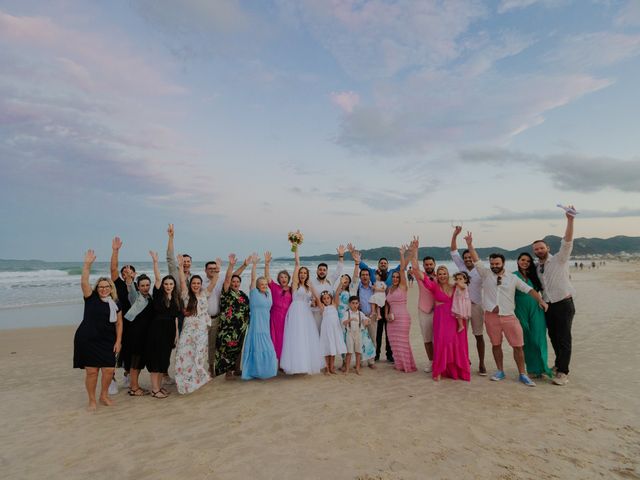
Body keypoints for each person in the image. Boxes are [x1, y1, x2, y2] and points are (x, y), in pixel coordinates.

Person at [464, 232, 547, 387]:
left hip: (509, 317)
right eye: (492, 263)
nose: (494, 266)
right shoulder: (485, 274)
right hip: (491, 317)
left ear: (503, 263)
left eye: (497, 263)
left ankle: (523, 374)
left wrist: (541, 300)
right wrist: (470, 245)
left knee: (518, 346)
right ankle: (500, 371)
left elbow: (529, 289)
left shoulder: (512, 278)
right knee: (496, 345)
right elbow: (475, 259)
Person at [73, 250, 123, 411]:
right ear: (97, 288)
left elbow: (119, 324)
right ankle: (92, 400)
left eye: (106, 286)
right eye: (100, 287)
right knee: (92, 372)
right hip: (88, 339)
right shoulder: (91, 298)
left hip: (108, 340)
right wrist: (87, 265)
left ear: (111, 287)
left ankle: (104, 395)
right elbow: (83, 282)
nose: (103, 289)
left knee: (109, 370)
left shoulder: (116, 303)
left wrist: (118, 341)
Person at [533, 207, 576, 386]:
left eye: (541, 247)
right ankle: (558, 365)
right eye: (536, 249)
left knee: (564, 338)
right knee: (553, 337)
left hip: (564, 303)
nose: (539, 250)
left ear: (547, 248)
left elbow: (567, 241)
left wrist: (570, 220)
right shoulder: (537, 266)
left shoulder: (559, 259)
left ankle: (563, 372)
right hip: (549, 305)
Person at [418, 260, 471, 382]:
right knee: (442, 342)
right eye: (440, 274)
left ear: (448, 274)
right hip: (441, 319)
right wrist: (414, 254)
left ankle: (457, 370)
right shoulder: (434, 287)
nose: (442, 276)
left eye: (444, 273)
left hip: (454, 318)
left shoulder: (455, 286)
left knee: (456, 343)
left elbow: (464, 291)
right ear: (437, 276)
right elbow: (422, 276)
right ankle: (440, 370)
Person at [280, 245, 323, 375]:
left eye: (305, 273)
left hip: (306, 312)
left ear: (307, 275)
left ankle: (305, 364)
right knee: (296, 336)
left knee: (306, 337)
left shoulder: (309, 286)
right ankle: (296, 365)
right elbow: (297, 263)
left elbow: (316, 296)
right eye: (301, 273)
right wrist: (296, 247)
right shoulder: (294, 284)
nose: (302, 274)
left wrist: (320, 305)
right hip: (296, 311)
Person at [175, 255, 215, 394]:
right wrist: (180, 267)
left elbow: (213, 283)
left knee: (198, 354)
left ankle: (196, 379)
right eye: (194, 283)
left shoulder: (205, 294)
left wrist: (217, 271)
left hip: (202, 329)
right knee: (184, 353)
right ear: (191, 284)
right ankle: (184, 380)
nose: (196, 285)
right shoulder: (186, 294)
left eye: (198, 283)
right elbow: (181, 280)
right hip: (188, 329)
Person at [451, 226, 487, 376]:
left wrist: (470, 245)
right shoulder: (461, 266)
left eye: (469, 258)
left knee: (478, 335)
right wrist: (455, 235)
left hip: (477, 306)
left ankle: (482, 363)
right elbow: (453, 251)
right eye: (465, 258)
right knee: (461, 336)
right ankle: (464, 360)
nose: (467, 260)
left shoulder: (480, 269)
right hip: (462, 308)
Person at [203, 257, 248, 377]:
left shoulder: (221, 282)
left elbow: (233, 277)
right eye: (210, 268)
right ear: (205, 270)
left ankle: (226, 369)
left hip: (218, 318)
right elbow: (230, 279)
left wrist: (244, 265)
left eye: (215, 268)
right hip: (205, 319)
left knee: (219, 344)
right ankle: (211, 367)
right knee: (212, 345)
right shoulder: (200, 282)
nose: (212, 270)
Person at [355, 247, 401, 363]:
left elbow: (402, 266)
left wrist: (409, 254)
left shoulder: (392, 273)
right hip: (376, 308)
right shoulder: (372, 272)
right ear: (378, 265)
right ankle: (376, 354)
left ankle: (390, 355)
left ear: (388, 265)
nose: (383, 264)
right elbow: (362, 266)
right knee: (377, 333)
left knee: (390, 332)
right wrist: (356, 258)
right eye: (381, 263)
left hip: (390, 307)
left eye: (385, 263)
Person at [146, 251, 181, 398]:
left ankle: (159, 387)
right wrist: (155, 262)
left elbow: (175, 318)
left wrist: (176, 335)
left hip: (169, 331)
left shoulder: (175, 299)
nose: (168, 286)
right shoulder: (159, 294)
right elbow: (158, 277)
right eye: (166, 284)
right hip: (157, 331)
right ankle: (154, 390)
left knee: (163, 360)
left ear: (174, 285)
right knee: (156, 360)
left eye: (171, 284)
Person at [514, 253, 553, 379]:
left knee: (539, 338)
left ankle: (542, 367)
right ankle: (531, 369)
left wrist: (545, 302)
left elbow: (544, 289)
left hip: (536, 309)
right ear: (518, 261)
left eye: (528, 261)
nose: (525, 262)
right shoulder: (513, 276)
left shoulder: (534, 276)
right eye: (522, 260)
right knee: (526, 339)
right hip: (520, 310)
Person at [241, 253, 278, 380]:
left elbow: (268, 281)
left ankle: (267, 371)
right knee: (256, 348)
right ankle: (255, 371)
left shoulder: (268, 294)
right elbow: (253, 278)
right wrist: (254, 265)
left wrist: (267, 264)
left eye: (265, 284)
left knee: (268, 348)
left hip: (266, 326)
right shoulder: (254, 292)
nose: (264, 285)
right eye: (261, 284)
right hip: (256, 327)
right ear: (257, 285)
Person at [215, 253, 251, 379]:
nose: (235, 283)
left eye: (237, 281)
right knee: (227, 348)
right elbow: (228, 278)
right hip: (228, 327)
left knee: (238, 347)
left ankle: (236, 369)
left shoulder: (242, 294)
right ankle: (228, 372)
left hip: (241, 327)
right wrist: (232, 265)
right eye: (233, 281)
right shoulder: (226, 292)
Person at [384, 245, 416, 373]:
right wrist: (386, 314)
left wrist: (402, 254)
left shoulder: (403, 286)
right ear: (391, 278)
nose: (396, 278)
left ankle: (406, 364)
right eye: (394, 277)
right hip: (391, 319)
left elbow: (402, 269)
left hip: (402, 318)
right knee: (394, 341)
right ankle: (398, 363)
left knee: (402, 341)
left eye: (397, 277)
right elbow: (387, 303)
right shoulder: (389, 288)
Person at [123, 263, 154, 396]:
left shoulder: (150, 298)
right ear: (138, 286)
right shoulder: (136, 298)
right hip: (135, 335)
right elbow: (130, 288)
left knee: (139, 363)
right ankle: (134, 389)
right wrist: (129, 278)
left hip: (145, 335)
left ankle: (134, 386)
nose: (145, 287)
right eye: (142, 285)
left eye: (147, 285)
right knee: (135, 363)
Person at [109, 236, 135, 390]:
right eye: (124, 272)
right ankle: (111, 379)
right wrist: (115, 251)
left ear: (134, 274)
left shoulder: (137, 287)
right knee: (113, 350)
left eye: (130, 272)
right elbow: (113, 268)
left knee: (129, 351)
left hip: (131, 324)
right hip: (116, 322)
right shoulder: (117, 284)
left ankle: (127, 375)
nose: (127, 273)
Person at [407, 238, 437, 373]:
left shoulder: (441, 277)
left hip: (438, 312)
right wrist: (415, 250)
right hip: (424, 310)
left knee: (439, 338)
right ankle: (431, 362)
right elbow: (414, 266)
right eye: (426, 265)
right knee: (427, 338)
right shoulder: (421, 277)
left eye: (431, 264)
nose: (429, 266)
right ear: (424, 266)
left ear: (434, 264)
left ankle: (440, 361)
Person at [265, 251, 292, 368]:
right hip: (275, 318)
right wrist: (267, 264)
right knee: (273, 339)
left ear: (289, 279)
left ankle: (282, 364)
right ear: (278, 279)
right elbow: (267, 278)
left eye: (285, 277)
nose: (283, 278)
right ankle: (272, 363)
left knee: (284, 341)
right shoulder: (274, 287)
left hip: (286, 318)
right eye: (281, 277)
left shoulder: (292, 289)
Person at [351, 250, 378, 369]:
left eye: (367, 275)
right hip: (359, 316)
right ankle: (360, 361)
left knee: (372, 338)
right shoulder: (357, 287)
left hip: (372, 316)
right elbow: (355, 277)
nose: (365, 276)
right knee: (359, 339)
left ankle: (371, 361)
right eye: (363, 275)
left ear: (369, 276)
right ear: (361, 276)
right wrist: (357, 262)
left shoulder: (374, 287)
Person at [310, 245, 346, 332]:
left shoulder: (331, 280)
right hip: (317, 314)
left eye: (324, 270)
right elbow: (309, 298)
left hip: (330, 314)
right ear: (317, 271)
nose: (322, 271)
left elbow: (339, 270)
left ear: (327, 272)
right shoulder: (311, 283)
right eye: (320, 269)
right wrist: (312, 302)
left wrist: (341, 256)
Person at [318, 290, 347, 374]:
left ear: (331, 299)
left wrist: (341, 283)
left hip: (335, 330)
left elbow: (337, 293)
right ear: (322, 300)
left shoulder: (334, 305)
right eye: (324, 299)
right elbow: (316, 298)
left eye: (328, 298)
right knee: (327, 348)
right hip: (326, 330)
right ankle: (327, 368)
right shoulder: (322, 307)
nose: (326, 300)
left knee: (333, 348)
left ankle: (331, 368)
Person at [342, 296, 371, 375]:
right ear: (349, 304)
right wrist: (350, 319)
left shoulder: (360, 313)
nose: (355, 305)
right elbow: (344, 323)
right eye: (353, 303)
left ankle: (357, 368)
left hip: (358, 333)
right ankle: (347, 369)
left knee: (358, 352)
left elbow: (366, 321)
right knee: (349, 352)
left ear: (359, 304)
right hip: (350, 333)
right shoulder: (347, 313)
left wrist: (367, 321)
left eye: (356, 303)